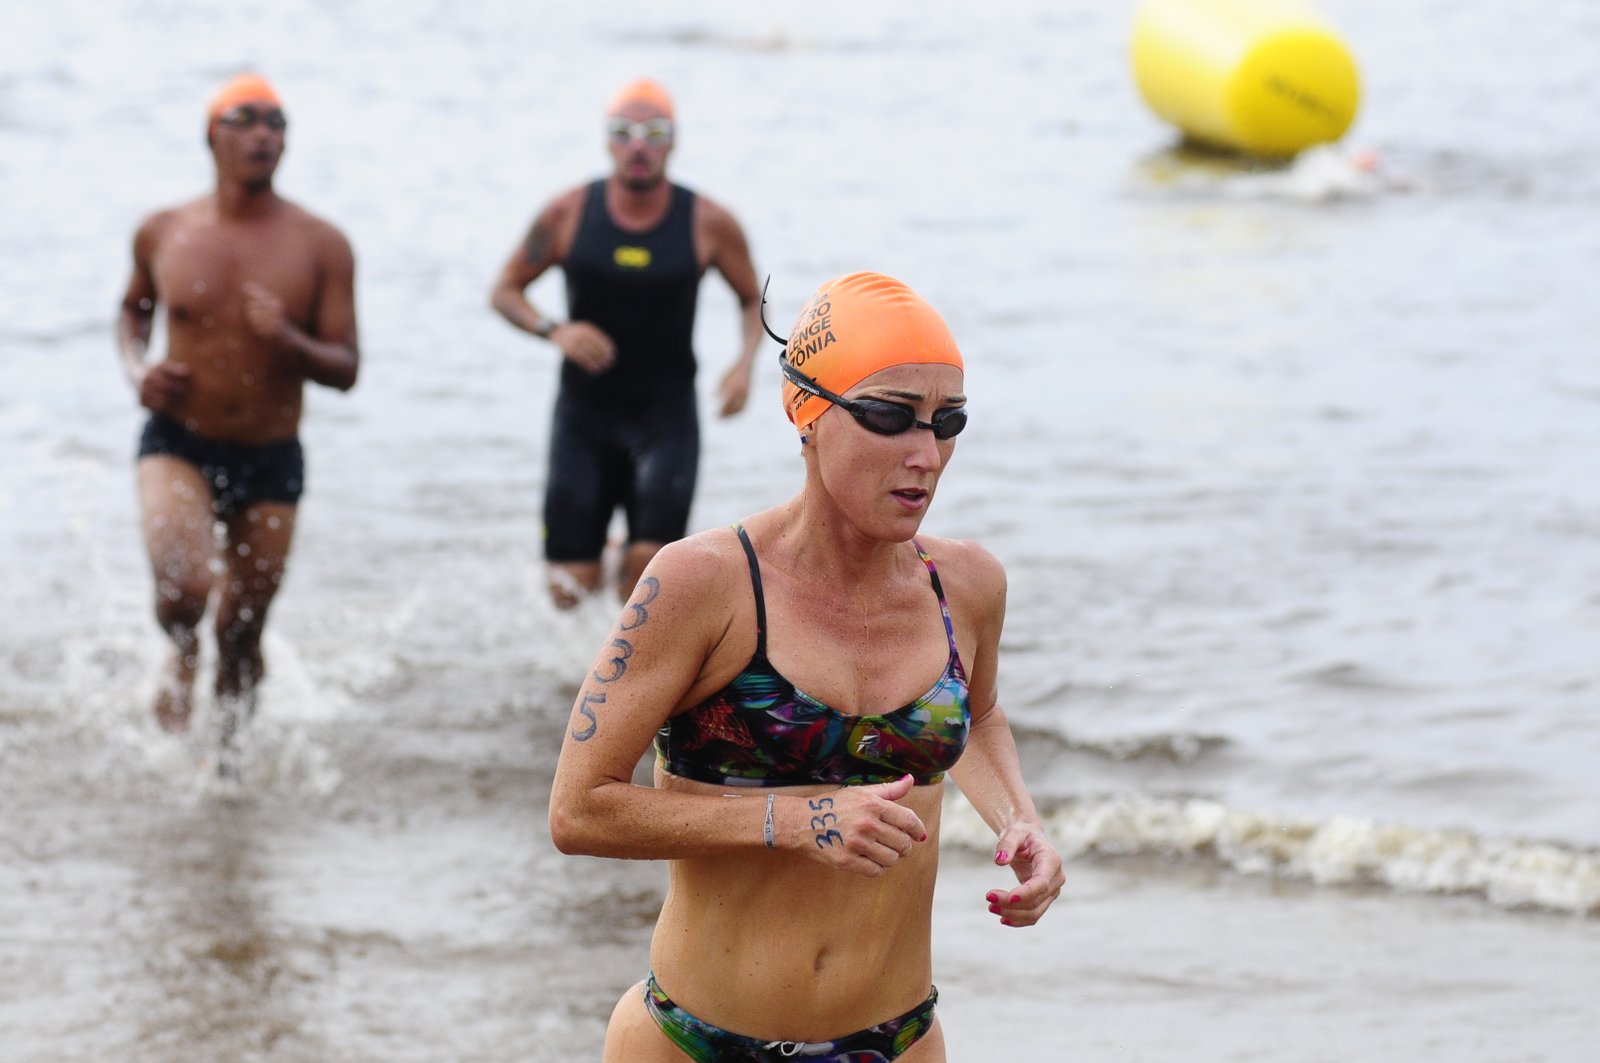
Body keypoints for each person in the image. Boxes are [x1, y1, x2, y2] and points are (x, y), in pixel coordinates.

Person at [549, 272, 1066, 1061]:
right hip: (694, 1042)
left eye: (947, 421)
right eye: (889, 416)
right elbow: (579, 809)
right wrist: (798, 820)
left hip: (896, 1040)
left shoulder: (966, 584)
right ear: (806, 410)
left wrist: (1019, 820)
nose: (926, 454)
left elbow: (980, 712)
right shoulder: (704, 583)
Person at [116, 73, 359, 750]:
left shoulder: (321, 243)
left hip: (271, 454)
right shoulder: (164, 230)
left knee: (243, 631)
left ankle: (228, 767)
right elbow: (132, 311)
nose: (262, 135)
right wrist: (138, 370)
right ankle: (179, 651)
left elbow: (347, 367)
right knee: (183, 590)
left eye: (275, 123)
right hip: (179, 439)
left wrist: (289, 340)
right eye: (245, 120)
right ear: (211, 135)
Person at [489, 77, 763, 609]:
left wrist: (744, 366)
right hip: (584, 415)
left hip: (666, 416)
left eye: (653, 133)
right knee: (568, 588)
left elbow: (752, 298)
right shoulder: (567, 213)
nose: (638, 146)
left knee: (650, 581)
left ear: (673, 141)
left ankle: (627, 585)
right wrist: (554, 330)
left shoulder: (709, 221)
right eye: (623, 133)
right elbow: (504, 291)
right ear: (606, 141)